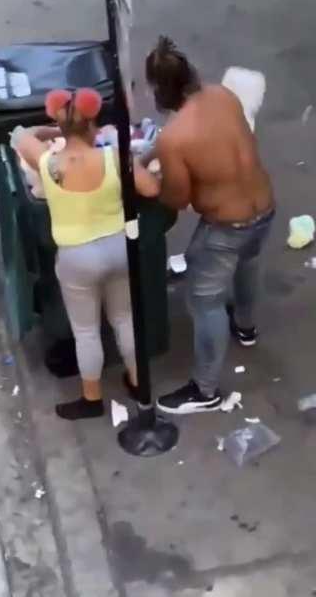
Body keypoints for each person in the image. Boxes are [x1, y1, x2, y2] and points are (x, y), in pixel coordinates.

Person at [145, 36, 275, 414]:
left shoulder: (175, 138)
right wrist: (152, 153)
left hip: (226, 227)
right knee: (247, 265)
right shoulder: (222, 95)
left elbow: (177, 199)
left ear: (160, 91)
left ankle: (205, 390)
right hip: (264, 208)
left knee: (204, 301)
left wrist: (154, 179)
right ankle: (246, 328)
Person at [15, 88, 159, 420]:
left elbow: (21, 135)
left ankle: (91, 398)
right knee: (124, 319)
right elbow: (151, 188)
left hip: (76, 258)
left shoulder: (49, 163)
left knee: (86, 331)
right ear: (94, 123)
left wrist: (55, 130)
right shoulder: (113, 157)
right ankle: (139, 383)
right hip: (118, 247)